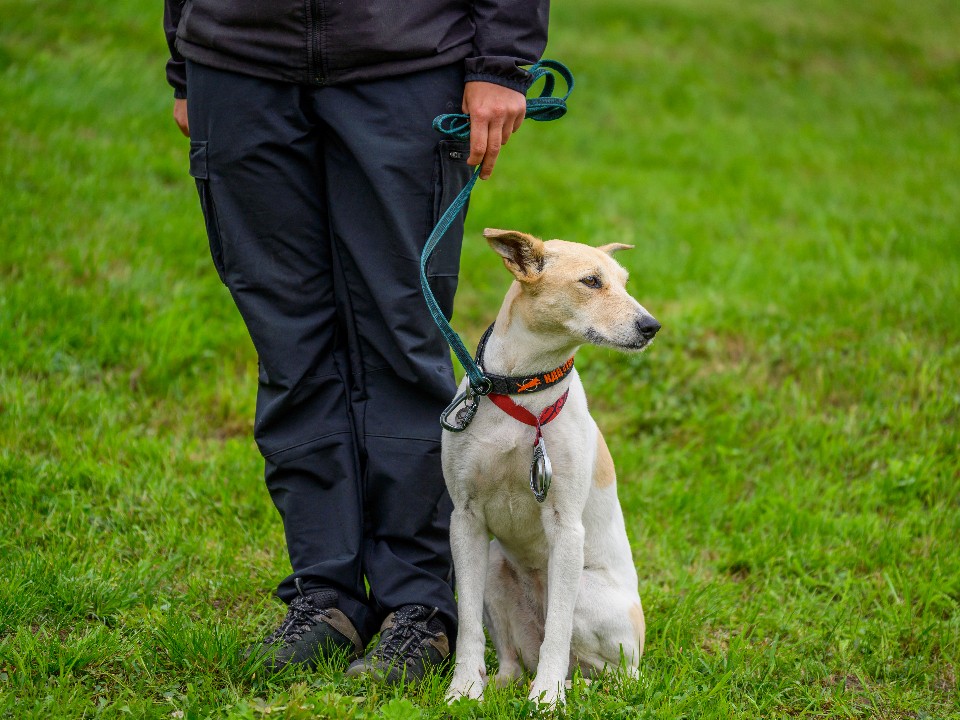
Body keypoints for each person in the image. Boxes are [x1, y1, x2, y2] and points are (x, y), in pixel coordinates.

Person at [163, 0, 549, 683]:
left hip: (406, 60)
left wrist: (501, 61)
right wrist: (186, 57)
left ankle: (421, 607)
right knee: (290, 344)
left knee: (401, 336)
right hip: (236, 60)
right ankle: (325, 597)